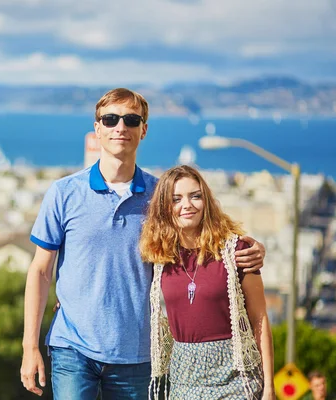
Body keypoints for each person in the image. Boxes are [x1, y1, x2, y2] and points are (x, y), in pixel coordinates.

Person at [20, 88, 266, 399]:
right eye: (110, 120)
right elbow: (41, 271)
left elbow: (205, 233)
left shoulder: (160, 197)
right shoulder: (63, 193)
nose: (120, 127)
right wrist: (30, 346)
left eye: (130, 120)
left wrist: (253, 247)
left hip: (137, 355)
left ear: (143, 130)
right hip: (73, 347)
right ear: (97, 128)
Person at [140, 165, 275, 399]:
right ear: (165, 208)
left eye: (195, 196)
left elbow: (259, 320)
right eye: (176, 199)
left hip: (236, 378)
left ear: (206, 201)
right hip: (183, 380)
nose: (187, 205)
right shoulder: (160, 258)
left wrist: (269, 389)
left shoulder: (238, 252)